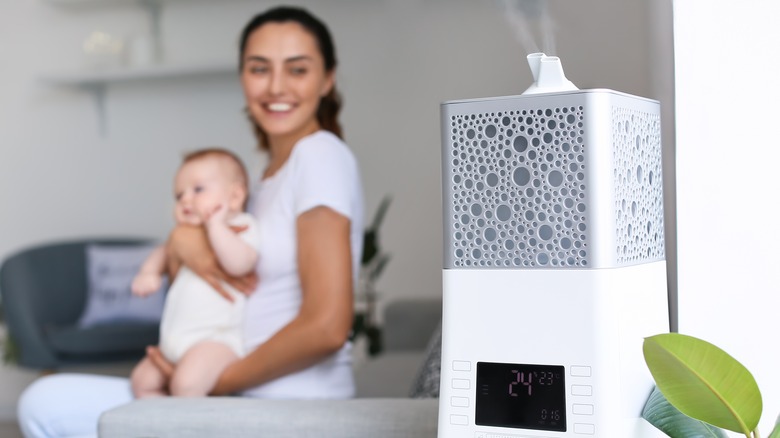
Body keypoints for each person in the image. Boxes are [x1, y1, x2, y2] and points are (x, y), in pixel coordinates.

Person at [17, 5, 364, 437]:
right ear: (242, 77)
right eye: (259, 69)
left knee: (45, 404)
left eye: (297, 70)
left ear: (328, 79)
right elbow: (209, 267)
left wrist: (210, 383)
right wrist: (182, 240)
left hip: (293, 405)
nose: (276, 86)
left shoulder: (320, 154)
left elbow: (328, 328)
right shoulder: (258, 179)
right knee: (50, 398)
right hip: (236, 391)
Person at [130, 148, 260, 398]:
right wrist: (149, 272)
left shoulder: (241, 227)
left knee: (186, 386)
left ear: (234, 197)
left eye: (198, 190)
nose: (186, 200)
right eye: (179, 195)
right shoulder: (183, 234)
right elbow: (164, 252)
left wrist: (216, 227)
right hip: (174, 342)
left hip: (215, 341)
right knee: (141, 382)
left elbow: (240, 265)